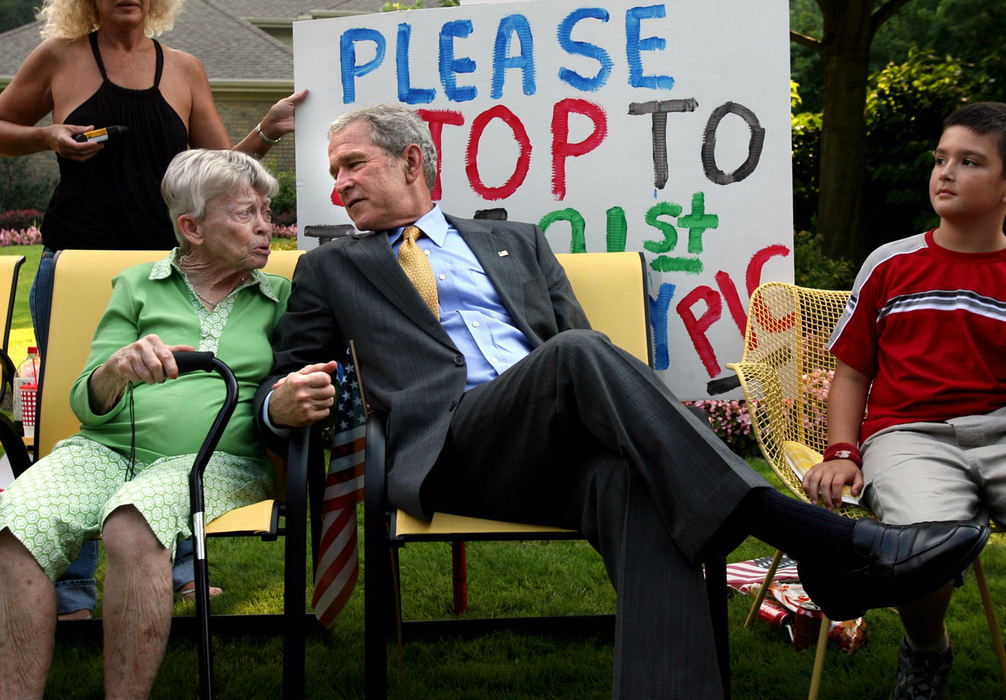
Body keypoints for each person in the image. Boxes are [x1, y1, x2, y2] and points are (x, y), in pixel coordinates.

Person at [255, 103, 989, 698]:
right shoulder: (330, 269)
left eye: (353, 164)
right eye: (335, 171)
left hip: (557, 442)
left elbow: (575, 343)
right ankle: (818, 540)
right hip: (452, 446)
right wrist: (279, 405)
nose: (339, 183)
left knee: (634, 480)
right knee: (574, 356)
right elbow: (283, 376)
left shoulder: (514, 238)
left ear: (411, 160)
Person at [0, 0, 306, 618]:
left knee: (184, 395)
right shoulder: (59, 57)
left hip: (170, 270)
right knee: (82, 415)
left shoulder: (185, 68)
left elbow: (225, 170)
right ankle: (69, 585)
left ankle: (178, 567)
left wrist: (270, 128)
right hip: (76, 267)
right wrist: (45, 135)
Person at [0, 148, 291, 697]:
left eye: (265, 212)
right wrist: (117, 368)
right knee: (18, 518)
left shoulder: (281, 297)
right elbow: (88, 401)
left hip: (217, 460)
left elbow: (290, 388)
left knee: (133, 522)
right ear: (192, 227)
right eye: (244, 213)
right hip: (106, 451)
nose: (263, 227)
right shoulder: (137, 285)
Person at [801, 101, 1006, 700]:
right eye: (941, 158)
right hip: (909, 436)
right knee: (920, 542)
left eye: (970, 162)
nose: (945, 172)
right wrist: (842, 449)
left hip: (998, 428)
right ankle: (926, 652)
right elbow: (851, 372)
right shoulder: (890, 265)